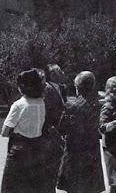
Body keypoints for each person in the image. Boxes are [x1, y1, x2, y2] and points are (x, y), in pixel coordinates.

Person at [57, 71, 104, 193]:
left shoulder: (72, 106)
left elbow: (62, 127)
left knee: (74, 186)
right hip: (92, 151)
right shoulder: (98, 105)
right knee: (91, 187)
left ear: (78, 87)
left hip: (75, 152)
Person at [1, 69, 47, 193]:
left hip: (19, 149)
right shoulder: (41, 102)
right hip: (37, 148)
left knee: (12, 186)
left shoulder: (19, 105)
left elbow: (4, 131)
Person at [44, 64, 66, 192]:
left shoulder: (60, 88)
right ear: (52, 74)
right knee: (50, 169)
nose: (62, 73)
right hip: (51, 134)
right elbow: (46, 113)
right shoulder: (47, 89)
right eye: (59, 71)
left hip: (58, 132)